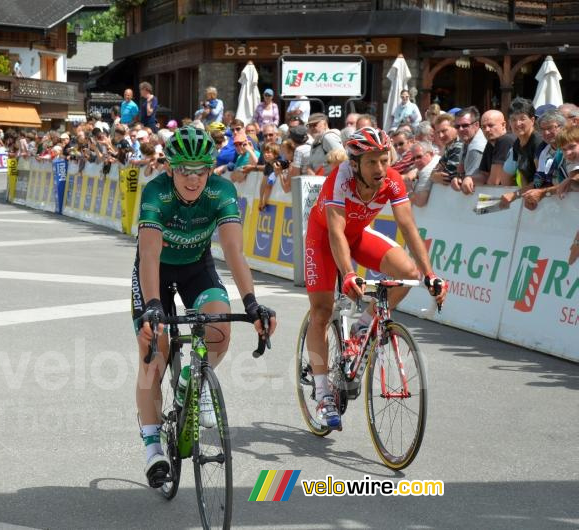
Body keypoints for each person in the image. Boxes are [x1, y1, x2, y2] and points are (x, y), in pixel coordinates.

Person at [132, 126, 276, 486]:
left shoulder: (222, 192)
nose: (193, 178)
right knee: (154, 352)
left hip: (197, 267)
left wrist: (252, 303)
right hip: (156, 272)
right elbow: (149, 254)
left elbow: (233, 251)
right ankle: (152, 447)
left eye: (201, 169)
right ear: (170, 168)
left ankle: (189, 382)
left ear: (211, 169)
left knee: (219, 330)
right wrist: (152, 306)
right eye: (185, 170)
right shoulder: (156, 192)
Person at [304, 127, 446, 429]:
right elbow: (335, 233)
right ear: (355, 163)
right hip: (324, 239)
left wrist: (430, 274)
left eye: (385, 159)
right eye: (372, 162)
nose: (381, 168)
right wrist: (349, 274)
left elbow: (408, 227)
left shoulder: (391, 180)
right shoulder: (339, 181)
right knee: (321, 311)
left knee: (408, 273)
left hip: (356, 236)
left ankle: (363, 324)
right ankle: (322, 393)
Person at [459, 110, 515, 194]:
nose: (487, 130)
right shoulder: (490, 143)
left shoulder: (504, 140)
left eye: (490, 125)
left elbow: (494, 182)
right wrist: (469, 179)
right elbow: (484, 175)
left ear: (503, 125)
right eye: (483, 127)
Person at [449, 107, 486, 191]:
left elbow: (468, 185)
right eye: (457, 126)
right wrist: (457, 178)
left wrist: (458, 180)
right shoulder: (467, 140)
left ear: (476, 125)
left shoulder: (476, 147)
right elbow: (461, 172)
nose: (460, 129)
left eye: (465, 125)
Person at [430, 114, 463, 186]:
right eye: (438, 132)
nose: (440, 136)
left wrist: (433, 176)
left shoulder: (459, 145)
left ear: (455, 128)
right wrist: (433, 176)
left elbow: (447, 177)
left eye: (444, 131)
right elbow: (436, 169)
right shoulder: (450, 145)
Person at [408, 141, 441, 207]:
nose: (416, 161)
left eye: (419, 157)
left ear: (431, 154)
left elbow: (420, 202)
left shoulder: (427, 170)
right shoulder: (436, 160)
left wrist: (409, 189)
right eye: (413, 159)